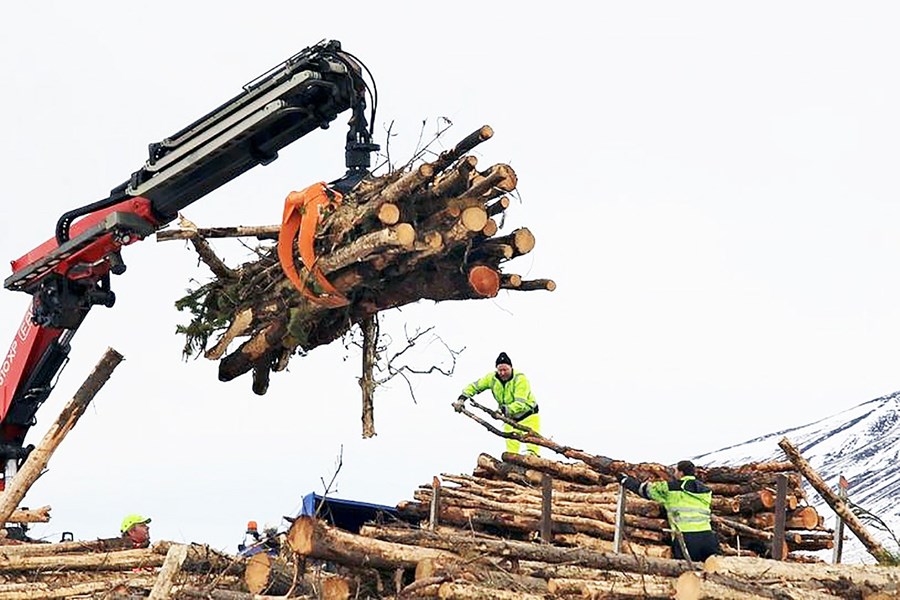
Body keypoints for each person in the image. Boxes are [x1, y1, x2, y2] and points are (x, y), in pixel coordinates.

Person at [620, 460, 720, 562]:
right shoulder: (706, 491)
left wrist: (626, 481)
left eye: (676, 471)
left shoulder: (670, 488)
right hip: (708, 537)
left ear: (681, 473)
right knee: (711, 571)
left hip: (685, 538)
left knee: (686, 572)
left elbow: (645, 490)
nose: (674, 473)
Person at [457, 351, 541, 456]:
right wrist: (462, 398)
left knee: (532, 451)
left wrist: (503, 410)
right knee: (511, 454)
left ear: (511, 368)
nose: (502, 373)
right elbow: (475, 386)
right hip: (509, 418)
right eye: (500, 370)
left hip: (529, 416)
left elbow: (520, 403)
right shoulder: (491, 378)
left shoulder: (520, 379)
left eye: (505, 370)